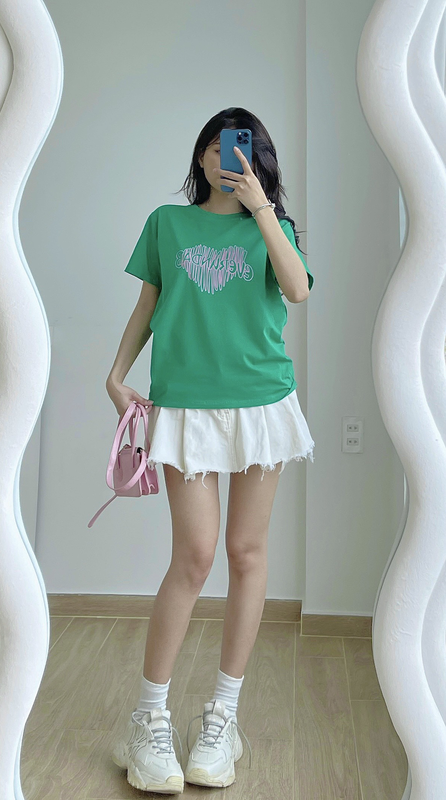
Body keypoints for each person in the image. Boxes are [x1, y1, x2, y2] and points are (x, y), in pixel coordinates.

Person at [107, 107, 315, 794]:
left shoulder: (273, 227)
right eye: (219, 147)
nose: (229, 159)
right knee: (194, 557)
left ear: (260, 160)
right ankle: (148, 719)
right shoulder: (167, 224)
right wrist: (116, 374)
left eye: (243, 148)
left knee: (246, 553)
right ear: (201, 156)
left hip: (261, 403)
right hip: (187, 404)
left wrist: (263, 211)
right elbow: (149, 304)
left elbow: (297, 289)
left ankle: (223, 718)